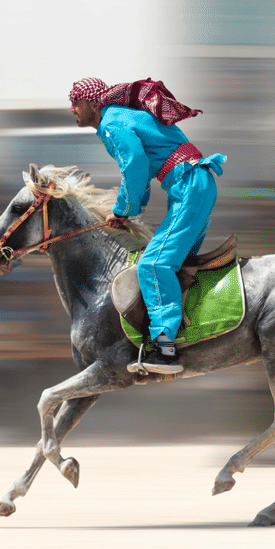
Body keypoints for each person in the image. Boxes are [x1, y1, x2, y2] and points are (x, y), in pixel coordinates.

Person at [69, 77, 226, 374]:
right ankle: (189, 332)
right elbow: (139, 170)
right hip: (193, 184)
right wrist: (128, 209)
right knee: (177, 265)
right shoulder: (122, 117)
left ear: (92, 103)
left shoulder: (111, 124)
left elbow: (135, 167)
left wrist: (123, 210)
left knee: (153, 266)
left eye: (75, 102)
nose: (72, 109)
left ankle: (166, 349)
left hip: (189, 185)